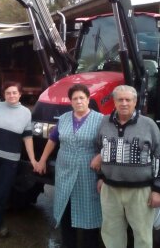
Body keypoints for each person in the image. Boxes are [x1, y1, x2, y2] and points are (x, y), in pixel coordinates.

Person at [93, 85, 160, 248]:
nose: (124, 103)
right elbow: (99, 149)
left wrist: (159, 189)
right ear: (114, 102)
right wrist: (100, 177)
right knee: (111, 233)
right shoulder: (104, 122)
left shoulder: (148, 125)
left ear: (135, 102)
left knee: (142, 235)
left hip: (140, 192)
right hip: (110, 190)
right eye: (120, 99)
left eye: (128, 100)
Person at [36, 84, 103, 248]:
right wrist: (42, 160)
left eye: (82, 98)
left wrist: (100, 156)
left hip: (87, 172)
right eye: (75, 98)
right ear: (71, 102)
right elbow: (53, 139)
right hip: (64, 169)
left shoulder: (100, 119)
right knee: (66, 209)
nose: (78, 101)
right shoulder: (65, 118)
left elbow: (109, 142)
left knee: (89, 211)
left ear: (88, 99)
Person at [0, 81, 38, 244]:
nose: (11, 95)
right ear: (3, 94)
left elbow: (27, 137)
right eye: (8, 92)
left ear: (20, 94)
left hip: (10, 160)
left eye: (14, 92)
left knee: (1, 192)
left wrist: (33, 159)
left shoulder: (26, 113)